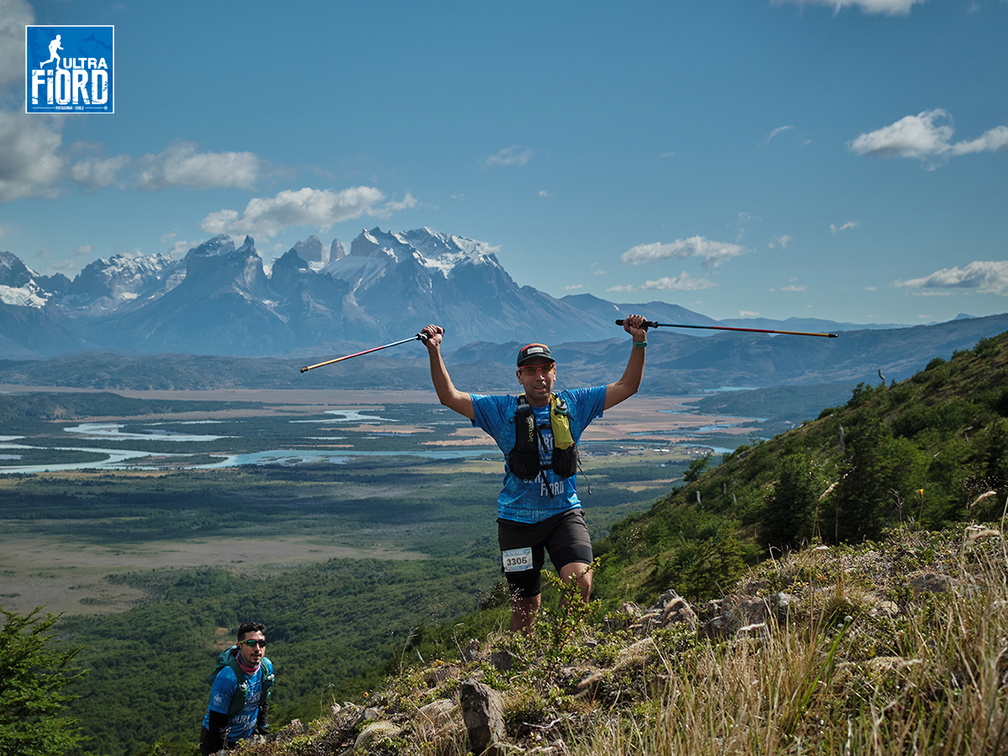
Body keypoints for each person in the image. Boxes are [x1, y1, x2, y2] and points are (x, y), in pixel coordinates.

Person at [421, 315, 649, 631]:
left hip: (563, 514)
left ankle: (562, 651)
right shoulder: (500, 410)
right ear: (519, 376)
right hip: (517, 522)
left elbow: (628, 386)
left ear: (554, 372)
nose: (539, 376)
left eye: (545, 369)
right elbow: (450, 397)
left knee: (579, 582)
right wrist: (434, 351)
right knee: (526, 607)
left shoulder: (575, 404)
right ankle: (521, 668)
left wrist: (638, 341)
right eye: (531, 370)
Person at [200, 621, 274, 755]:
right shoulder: (228, 677)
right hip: (218, 739)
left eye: (261, 643)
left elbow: (263, 701)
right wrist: (221, 751)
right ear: (239, 646)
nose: (257, 649)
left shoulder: (266, 668)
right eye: (251, 643)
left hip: (247, 737)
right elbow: (217, 721)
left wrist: (263, 731)